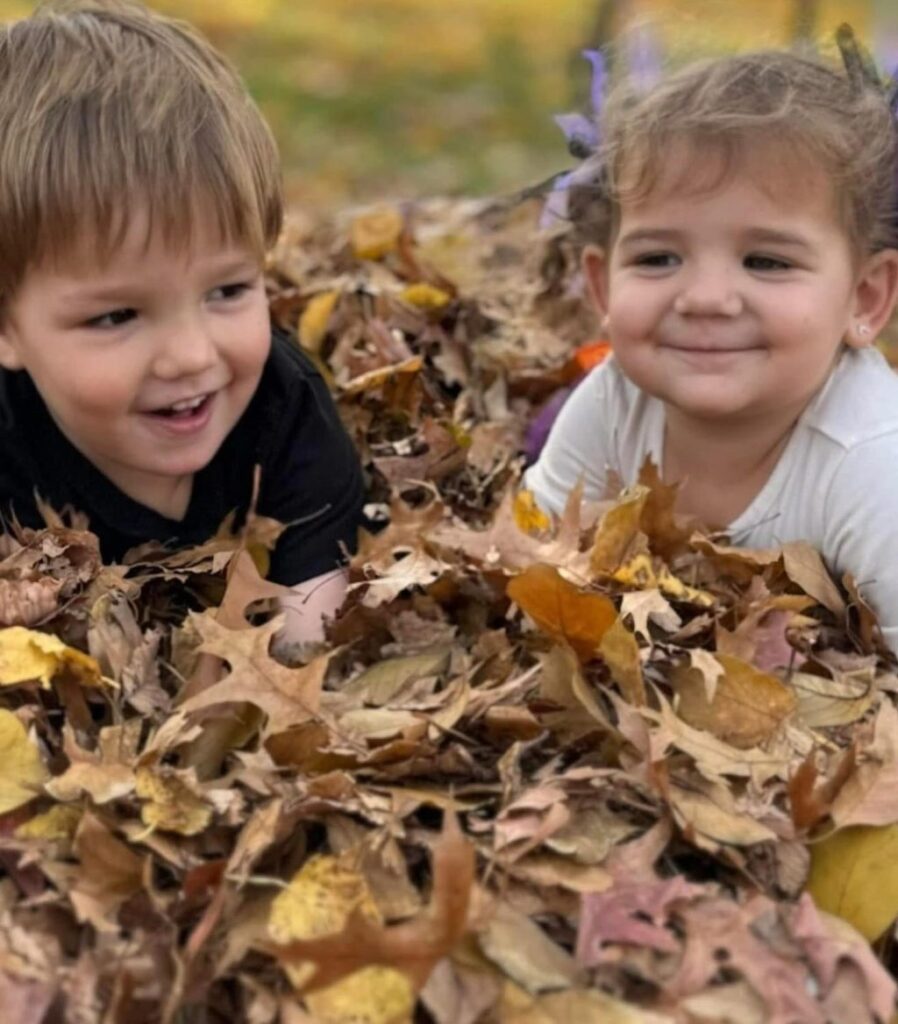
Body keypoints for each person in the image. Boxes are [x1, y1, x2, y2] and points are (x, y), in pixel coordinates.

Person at [0, 0, 366, 644]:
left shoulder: (286, 413)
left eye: (227, 289)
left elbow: (310, 633)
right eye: (118, 314)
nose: (192, 355)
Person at [525, 44, 898, 652]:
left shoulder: (873, 465)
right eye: (658, 258)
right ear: (603, 286)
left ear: (863, 298)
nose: (705, 298)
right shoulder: (616, 398)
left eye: (766, 261)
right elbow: (531, 554)